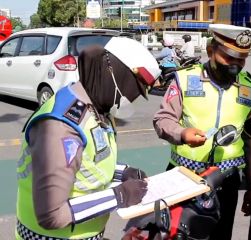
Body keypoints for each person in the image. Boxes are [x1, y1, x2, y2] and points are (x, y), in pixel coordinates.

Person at [15, 37, 161, 240]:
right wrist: (119, 196)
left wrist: (123, 172)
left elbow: (86, 162)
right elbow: (51, 215)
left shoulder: (96, 107)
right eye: (134, 90)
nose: (132, 99)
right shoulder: (61, 127)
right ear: (114, 74)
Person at [153, 23, 251, 240]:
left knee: (220, 236)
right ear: (211, 51)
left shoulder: (250, 89)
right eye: (229, 57)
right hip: (184, 177)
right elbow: (163, 119)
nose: (235, 65)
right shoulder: (185, 79)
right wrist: (182, 134)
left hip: (226, 182)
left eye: (241, 59)